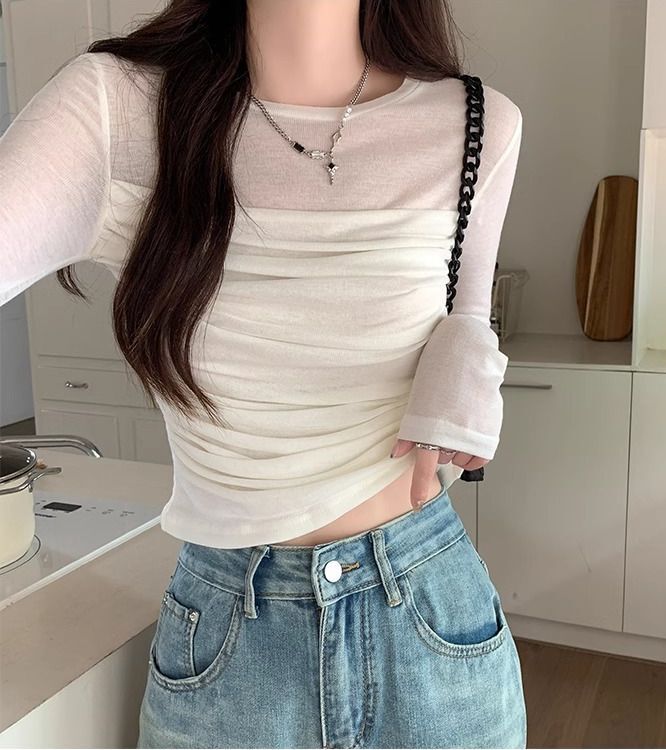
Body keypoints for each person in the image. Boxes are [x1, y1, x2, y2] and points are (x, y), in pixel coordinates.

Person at [0, 0, 526, 746]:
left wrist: (467, 363)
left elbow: (467, 304)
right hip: (230, 636)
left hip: (430, 613)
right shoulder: (118, 108)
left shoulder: (480, 121)